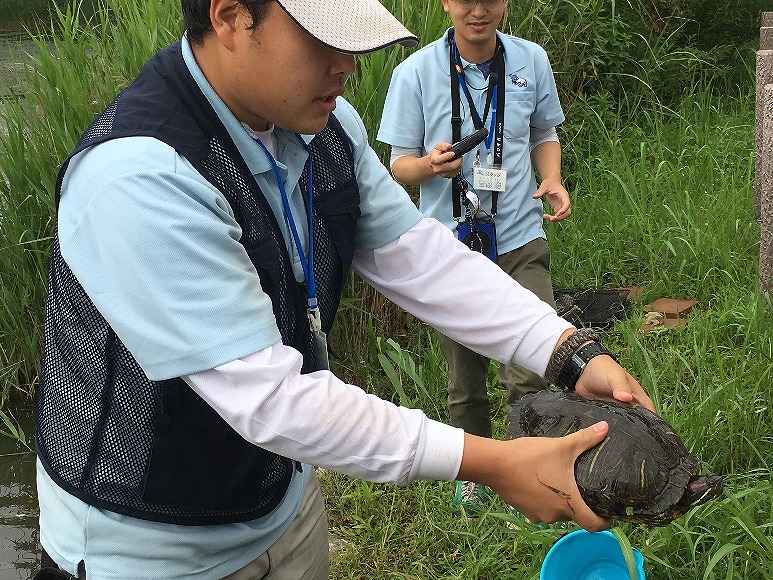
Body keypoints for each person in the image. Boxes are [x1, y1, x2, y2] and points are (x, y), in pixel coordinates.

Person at [34, 1, 653, 578]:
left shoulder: (321, 125)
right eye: (323, 40)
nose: (348, 66)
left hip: (282, 497)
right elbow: (275, 400)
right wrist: (490, 463)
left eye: (353, 42)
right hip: (151, 542)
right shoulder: (142, 178)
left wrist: (567, 349)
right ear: (229, 17)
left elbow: (415, 255)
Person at [377, 0, 571, 511]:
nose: (478, 10)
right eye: (465, 0)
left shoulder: (531, 59)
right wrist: (429, 165)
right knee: (466, 381)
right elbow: (398, 166)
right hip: (449, 248)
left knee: (533, 365)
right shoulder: (414, 73)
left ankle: (533, 467)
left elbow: (543, 134)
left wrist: (550, 176)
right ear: (446, 3)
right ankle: (477, 480)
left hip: (520, 238)